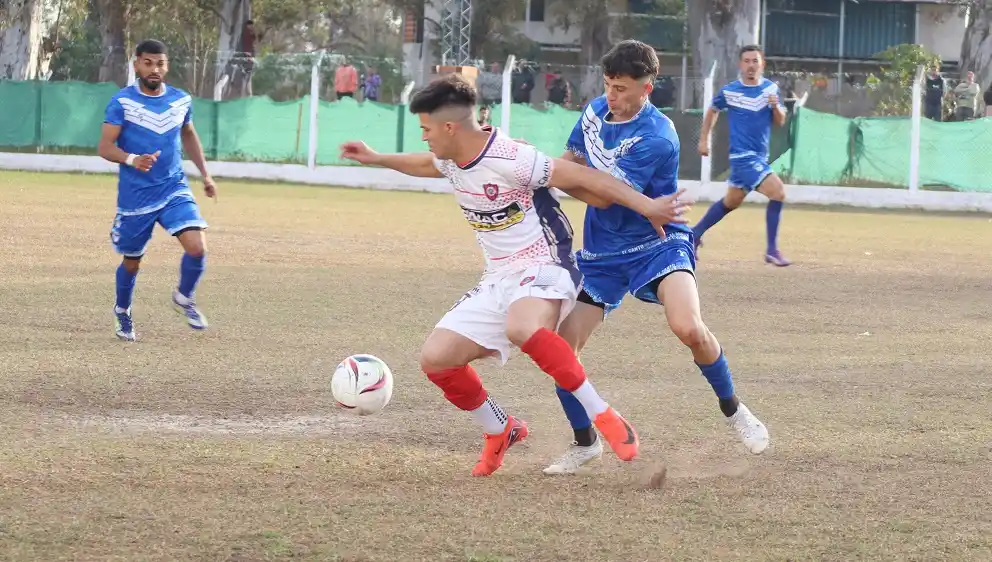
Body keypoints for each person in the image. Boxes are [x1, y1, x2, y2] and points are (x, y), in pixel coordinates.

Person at [340, 73, 691, 477]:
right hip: (498, 277)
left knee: (523, 327)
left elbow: (585, 177)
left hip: (546, 264)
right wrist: (376, 157)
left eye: (426, 129)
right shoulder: (451, 156)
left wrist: (647, 206)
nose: (424, 137)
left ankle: (605, 415)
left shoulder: (511, 158)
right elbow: (427, 163)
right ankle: (499, 429)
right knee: (436, 359)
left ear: (450, 127)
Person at [542, 40, 770, 475]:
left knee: (688, 327)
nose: (612, 96)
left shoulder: (657, 136)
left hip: (659, 245)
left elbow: (603, 196)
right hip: (603, 255)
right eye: (608, 85)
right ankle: (585, 442)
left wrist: (551, 179)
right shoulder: (593, 112)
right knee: (561, 348)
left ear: (647, 87)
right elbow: (571, 159)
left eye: (623, 88)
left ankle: (734, 409)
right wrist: (545, 172)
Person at [97, 39, 217, 341]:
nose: (155, 69)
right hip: (136, 197)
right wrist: (132, 159)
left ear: (167, 65)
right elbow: (105, 147)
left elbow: (188, 134)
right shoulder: (122, 102)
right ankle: (123, 311)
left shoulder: (180, 100)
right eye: (148, 63)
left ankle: (184, 298)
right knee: (132, 261)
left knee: (198, 247)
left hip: (173, 187)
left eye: (160, 63)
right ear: (136, 63)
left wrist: (205, 175)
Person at [693, 45, 791, 267]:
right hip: (743, 157)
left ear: (762, 64)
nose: (750, 65)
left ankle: (694, 234)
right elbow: (712, 110)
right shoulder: (730, 91)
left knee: (731, 202)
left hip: (758, 157)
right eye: (746, 61)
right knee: (778, 192)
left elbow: (780, 121)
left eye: (755, 61)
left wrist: (776, 108)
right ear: (740, 64)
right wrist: (703, 139)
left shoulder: (770, 90)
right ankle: (772, 250)